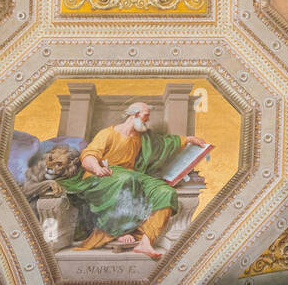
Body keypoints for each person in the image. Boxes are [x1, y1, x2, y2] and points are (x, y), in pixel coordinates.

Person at [56, 101, 207, 258]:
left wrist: (189, 139)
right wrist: (97, 169)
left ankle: (146, 243)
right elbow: (88, 156)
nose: (148, 121)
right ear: (135, 115)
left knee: (165, 191)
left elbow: (164, 143)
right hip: (103, 175)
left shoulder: (142, 138)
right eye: (146, 117)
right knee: (126, 180)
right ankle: (119, 231)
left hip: (132, 175)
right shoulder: (108, 134)